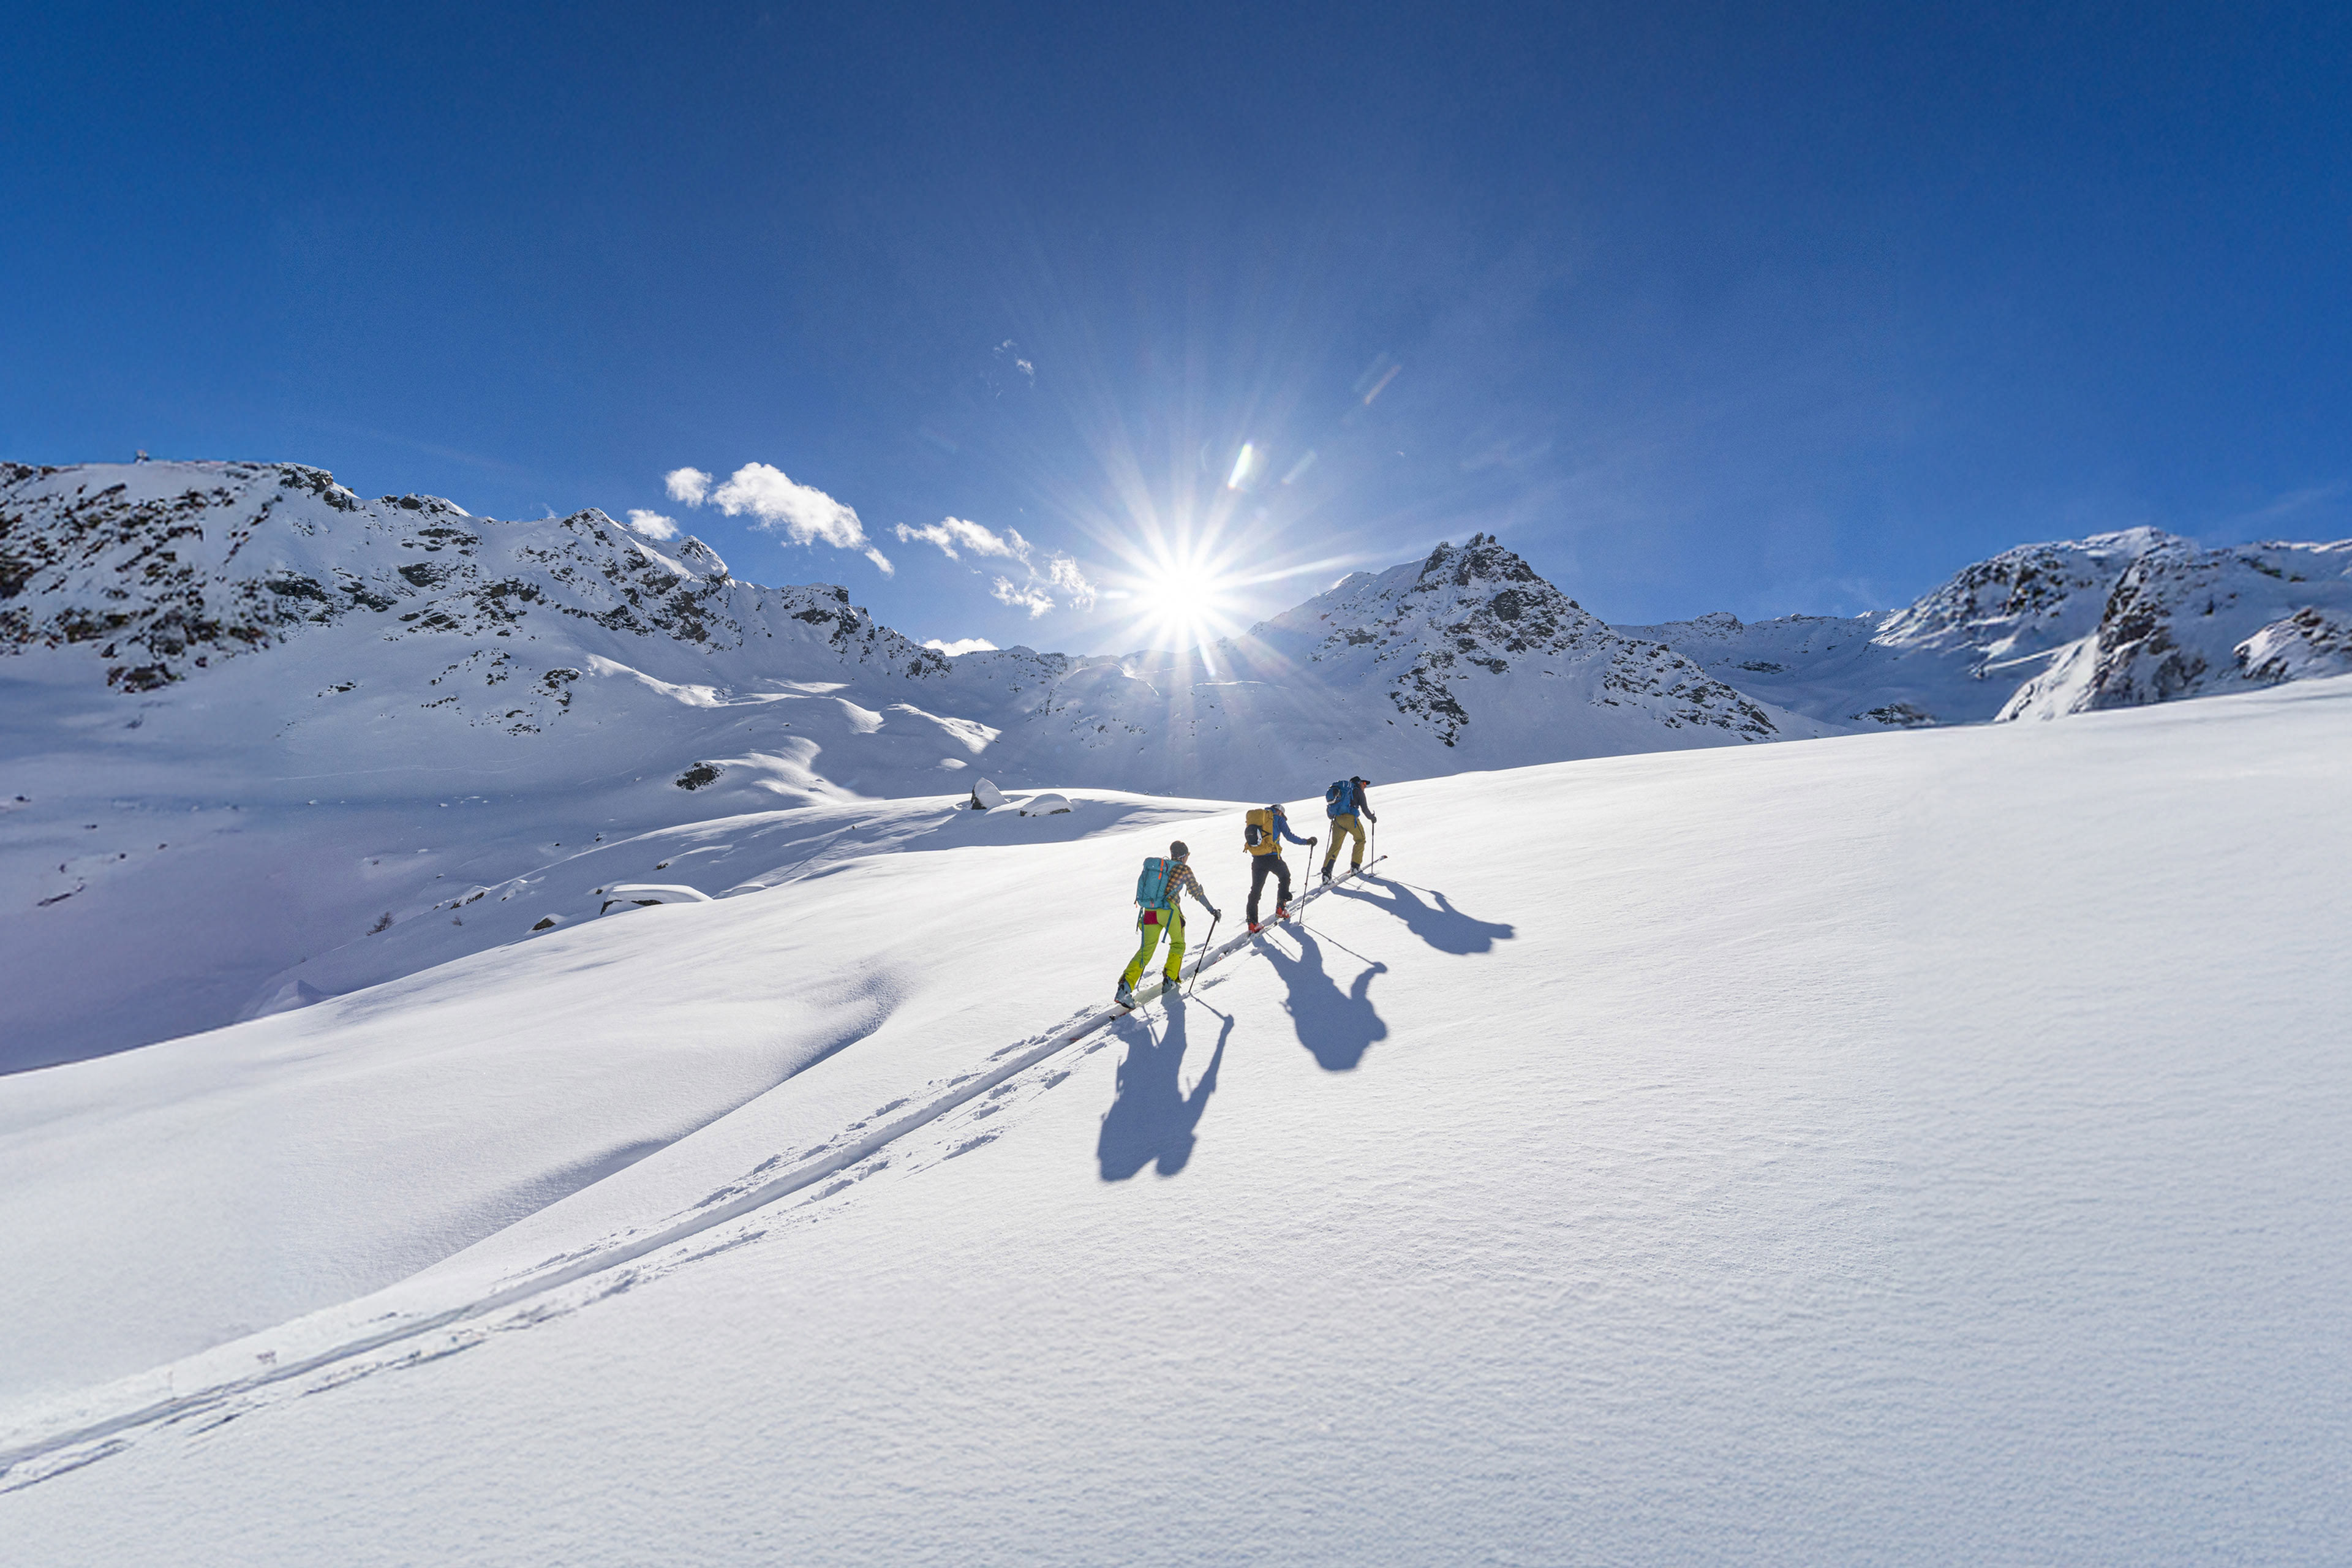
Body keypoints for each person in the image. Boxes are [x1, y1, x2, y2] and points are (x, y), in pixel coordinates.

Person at [1117, 840, 1221, 1007]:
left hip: (1150, 911)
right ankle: (1170, 979)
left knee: (1146, 949)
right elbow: (1196, 892)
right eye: (1187, 855)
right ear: (1184, 856)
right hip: (1169, 911)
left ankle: (1124, 987)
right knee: (1178, 944)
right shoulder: (1184, 869)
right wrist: (1212, 909)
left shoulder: (1160, 867)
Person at [1243, 801, 1314, 933]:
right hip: (1273, 857)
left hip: (1257, 859)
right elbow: (1290, 837)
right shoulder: (1278, 819)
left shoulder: (1258, 818)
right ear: (1280, 812)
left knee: (1255, 891)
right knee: (1285, 877)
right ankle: (1281, 909)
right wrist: (1307, 842)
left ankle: (1252, 923)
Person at [1321, 775, 1377, 881]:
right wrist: (1372, 818)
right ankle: (1355, 866)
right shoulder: (1358, 792)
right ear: (1359, 783)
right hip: (1350, 819)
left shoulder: (1342, 791)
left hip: (1337, 820)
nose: (1365, 786)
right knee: (1360, 839)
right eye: (1364, 784)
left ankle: (1326, 873)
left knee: (1335, 846)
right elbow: (1365, 809)